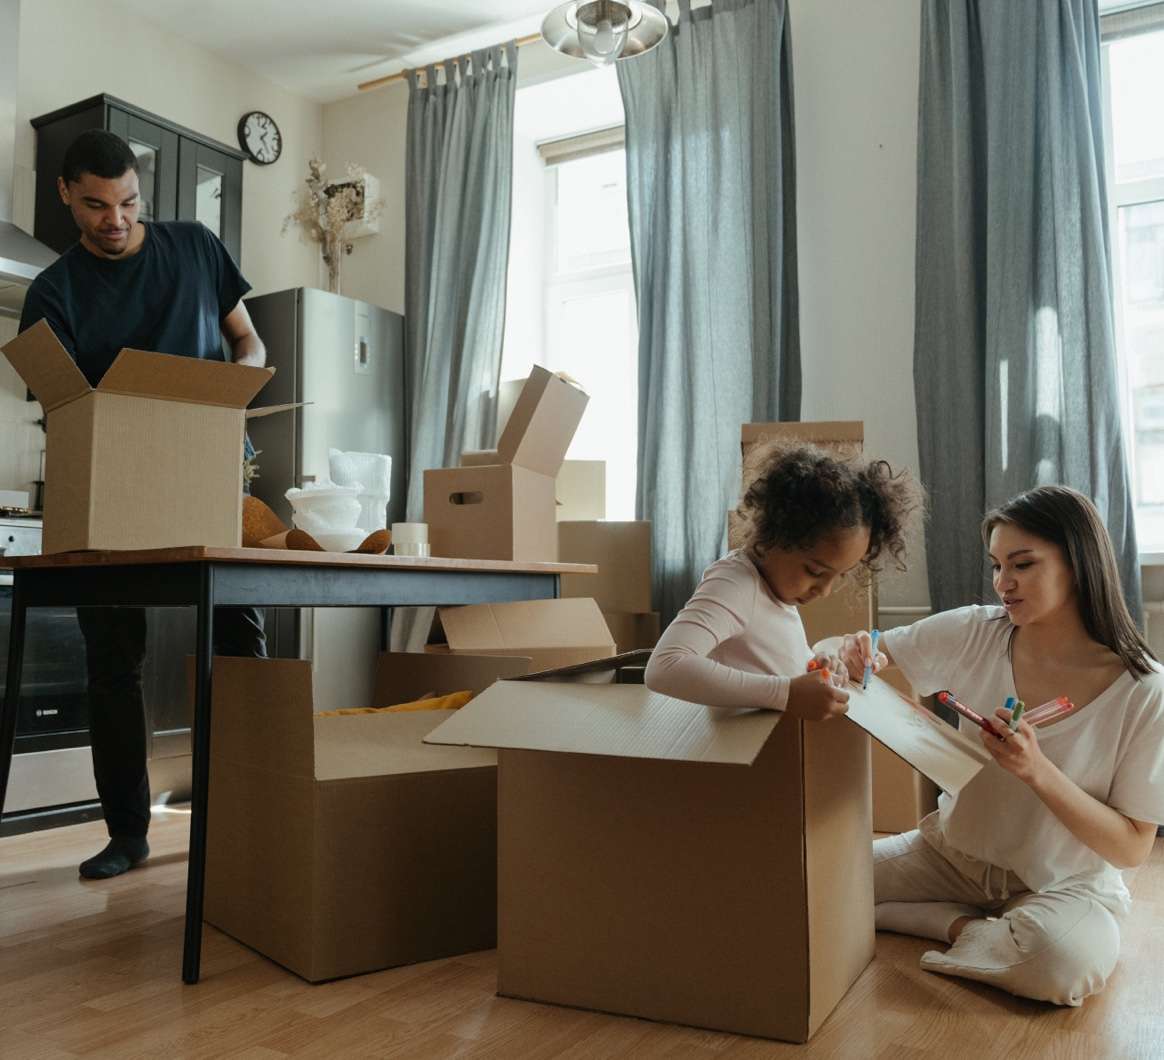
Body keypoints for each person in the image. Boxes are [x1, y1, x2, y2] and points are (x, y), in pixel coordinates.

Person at [18, 129, 269, 879]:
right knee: (113, 662)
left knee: (240, 640)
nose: (116, 220)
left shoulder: (195, 246)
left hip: (206, 465)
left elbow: (247, 343)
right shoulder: (51, 293)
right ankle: (128, 833)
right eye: (96, 206)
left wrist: (236, 386)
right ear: (67, 196)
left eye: (128, 202)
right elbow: (62, 402)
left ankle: (252, 806)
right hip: (110, 485)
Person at [840, 485, 1164, 1006]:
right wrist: (859, 654)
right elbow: (858, 649)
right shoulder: (977, 631)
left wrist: (1037, 770)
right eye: (996, 566)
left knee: (1062, 964)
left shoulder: (1145, 691)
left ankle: (936, 922)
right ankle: (967, 925)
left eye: (1023, 565)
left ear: (1078, 564)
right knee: (812, 879)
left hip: (1062, 885)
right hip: (950, 855)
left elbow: (1130, 847)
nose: (1002, 583)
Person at [644, 442, 920, 721]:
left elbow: (769, 662)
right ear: (778, 534)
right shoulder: (736, 583)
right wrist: (786, 693)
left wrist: (820, 665)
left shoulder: (774, 591)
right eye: (815, 571)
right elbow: (665, 667)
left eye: (840, 576)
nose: (824, 590)